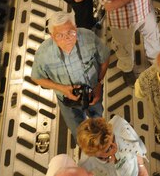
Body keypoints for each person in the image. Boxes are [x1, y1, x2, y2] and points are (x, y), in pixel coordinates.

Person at [31, 12, 110, 140]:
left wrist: (98, 83)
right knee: (78, 130)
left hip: (93, 93)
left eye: (70, 32)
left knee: (98, 119)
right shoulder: (43, 54)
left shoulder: (88, 37)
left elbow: (105, 58)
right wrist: (62, 89)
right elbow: (36, 77)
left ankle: (101, 139)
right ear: (52, 36)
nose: (67, 38)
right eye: (60, 35)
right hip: (67, 100)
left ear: (76, 28)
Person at [77, 116, 148, 176]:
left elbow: (135, 146)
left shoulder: (120, 126)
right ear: (94, 154)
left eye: (113, 139)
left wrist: (141, 168)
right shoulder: (85, 167)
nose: (115, 147)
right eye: (108, 149)